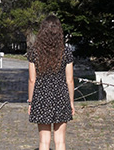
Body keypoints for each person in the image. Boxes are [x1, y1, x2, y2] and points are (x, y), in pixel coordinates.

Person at [27, 14, 76, 150]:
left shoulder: (34, 52)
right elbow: (69, 80)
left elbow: (32, 80)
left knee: (44, 142)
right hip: (61, 97)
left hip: (41, 98)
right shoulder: (66, 52)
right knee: (60, 141)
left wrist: (30, 102)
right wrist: (71, 101)